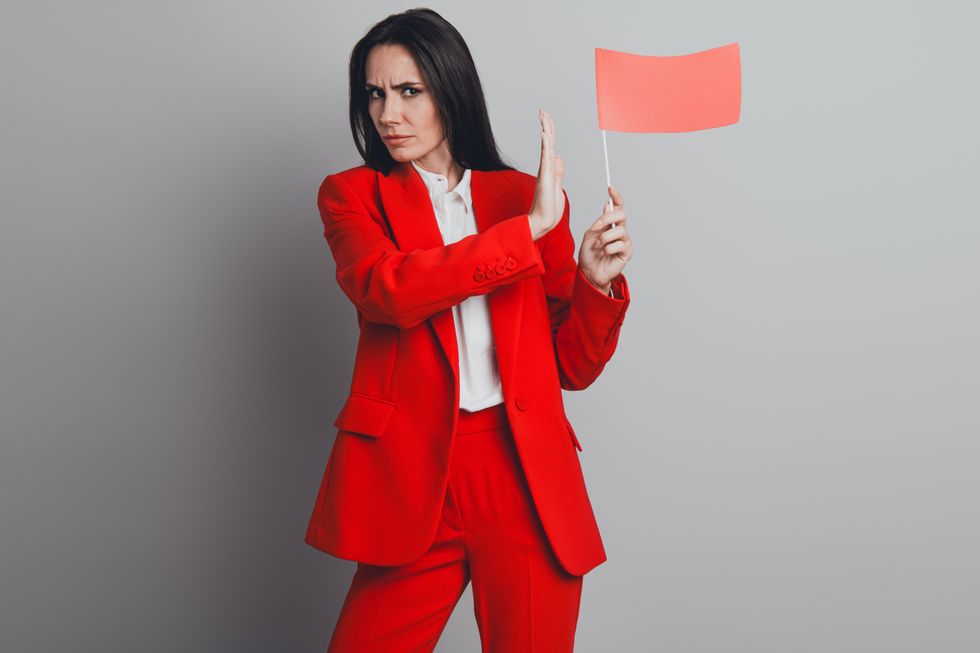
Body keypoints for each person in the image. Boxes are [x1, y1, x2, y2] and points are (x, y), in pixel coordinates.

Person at [305, 8, 633, 652]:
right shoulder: (351, 196)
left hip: (523, 476)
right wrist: (525, 236)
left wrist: (594, 283)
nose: (387, 114)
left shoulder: (523, 197)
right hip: (412, 475)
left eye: (408, 91)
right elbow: (387, 291)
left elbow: (572, 367)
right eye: (374, 94)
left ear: (450, 89)